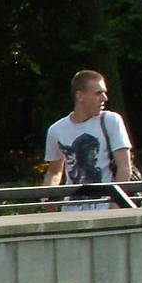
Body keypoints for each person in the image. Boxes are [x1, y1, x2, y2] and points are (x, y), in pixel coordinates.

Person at [42, 69, 132, 212]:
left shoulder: (111, 121)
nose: (104, 98)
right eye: (98, 93)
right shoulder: (56, 130)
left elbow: (125, 168)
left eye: (104, 92)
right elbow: (54, 171)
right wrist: (48, 199)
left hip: (107, 209)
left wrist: (114, 208)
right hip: (72, 212)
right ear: (80, 96)